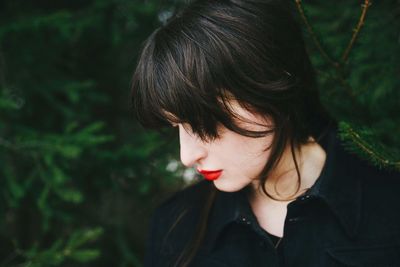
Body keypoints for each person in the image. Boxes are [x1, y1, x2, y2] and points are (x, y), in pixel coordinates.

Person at [130, 0, 400, 266]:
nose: (187, 156)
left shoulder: (387, 198)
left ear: (268, 86)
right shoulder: (175, 228)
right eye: (177, 126)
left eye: (203, 124)